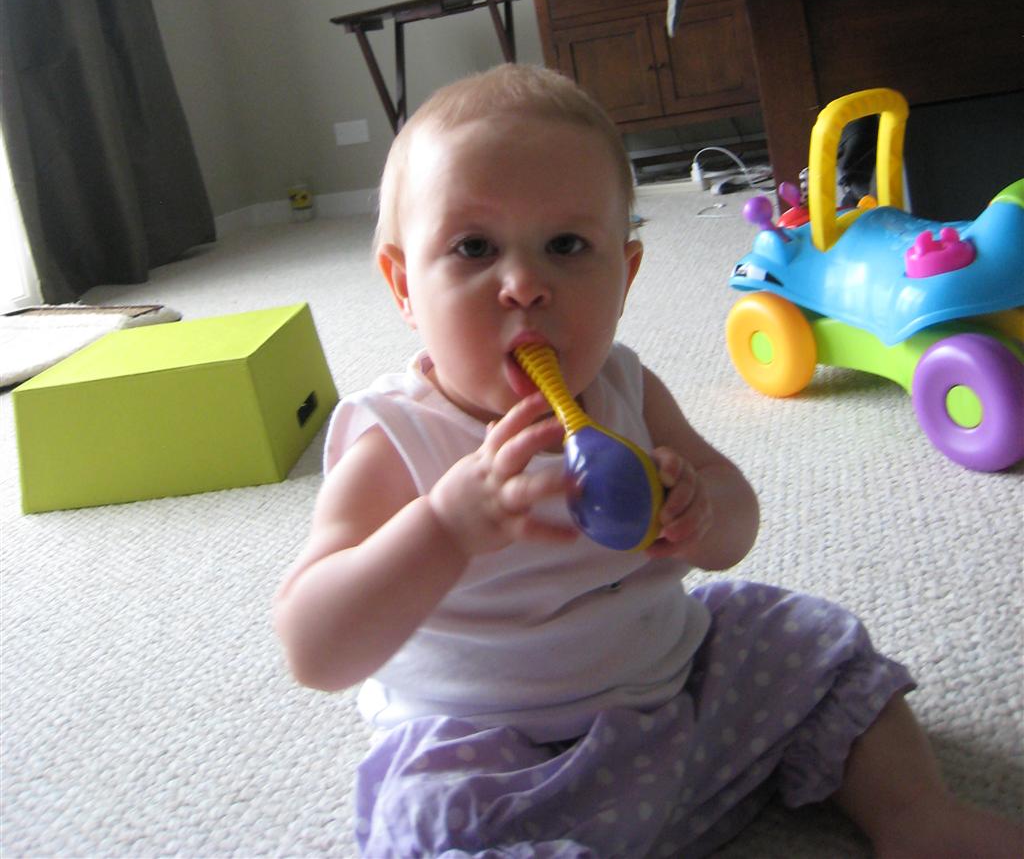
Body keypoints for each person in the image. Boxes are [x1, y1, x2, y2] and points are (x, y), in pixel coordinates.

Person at [274, 63, 1021, 859]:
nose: (523, 285)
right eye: (474, 247)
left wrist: (700, 510)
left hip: (675, 695)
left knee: (810, 643)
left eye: (567, 245)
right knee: (426, 823)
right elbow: (314, 646)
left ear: (625, 275)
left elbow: (736, 524)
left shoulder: (624, 384)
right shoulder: (395, 436)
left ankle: (915, 815)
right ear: (403, 286)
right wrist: (443, 529)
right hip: (493, 759)